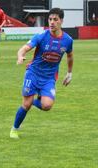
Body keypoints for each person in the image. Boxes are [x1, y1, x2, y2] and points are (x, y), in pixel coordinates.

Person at [10, 8, 74, 139]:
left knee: (47, 106)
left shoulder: (68, 40)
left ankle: (35, 100)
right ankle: (14, 129)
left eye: (55, 19)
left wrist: (69, 73)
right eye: (50, 19)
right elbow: (24, 48)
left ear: (61, 21)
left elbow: (70, 56)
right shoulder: (41, 36)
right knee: (26, 104)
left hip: (49, 78)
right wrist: (20, 56)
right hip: (33, 74)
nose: (52, 22)